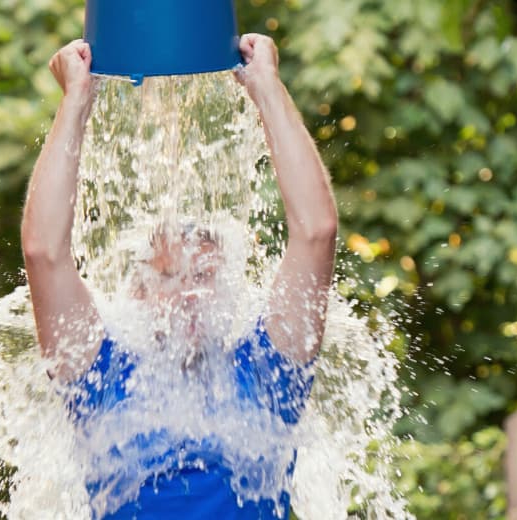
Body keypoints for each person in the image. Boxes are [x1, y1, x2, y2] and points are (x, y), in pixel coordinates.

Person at [21, 34, 338, 520]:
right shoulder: (99, 378)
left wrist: (267, 88)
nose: (188, 291)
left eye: (205, 273)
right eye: (168, 276)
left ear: (232, 284)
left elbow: (316, 232)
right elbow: (44, 253)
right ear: (138, 293)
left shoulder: (270, 374)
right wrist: (75, 103)